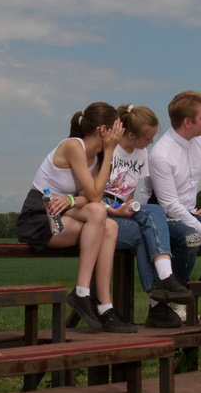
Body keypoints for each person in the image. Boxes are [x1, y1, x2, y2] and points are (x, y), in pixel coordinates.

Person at [18, 102, 134, 332]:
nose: (119, 136)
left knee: (110, 227)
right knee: (99, 212)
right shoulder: (73, 147)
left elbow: (88, 198)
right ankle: (81, 292)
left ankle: (105, 306)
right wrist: (110, 152)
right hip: (40, 217)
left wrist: (71, 200)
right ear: (104, 130)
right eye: (116, 130)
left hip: (63, 212)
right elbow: (94, 195)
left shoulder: (98, 158)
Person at [148, 89, 201, 287]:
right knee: (191, 238)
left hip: (190, 215)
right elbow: (170, 207)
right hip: (165, 218)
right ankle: (173, 299)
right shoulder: (161, 154)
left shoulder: (200, 141)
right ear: (187, 122)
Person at [107, 104, 183, 301]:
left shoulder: (141, 153)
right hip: (102, 206)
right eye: (148, 138)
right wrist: (116, 210)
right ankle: (157, 296)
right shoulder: (109, 150)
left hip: (122, 206)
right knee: (143, 230)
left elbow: (130, 192)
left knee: (155, 211)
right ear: (131, 135)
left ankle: (163, 282)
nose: (151, 142)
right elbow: (90, 193)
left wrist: (128, 208)